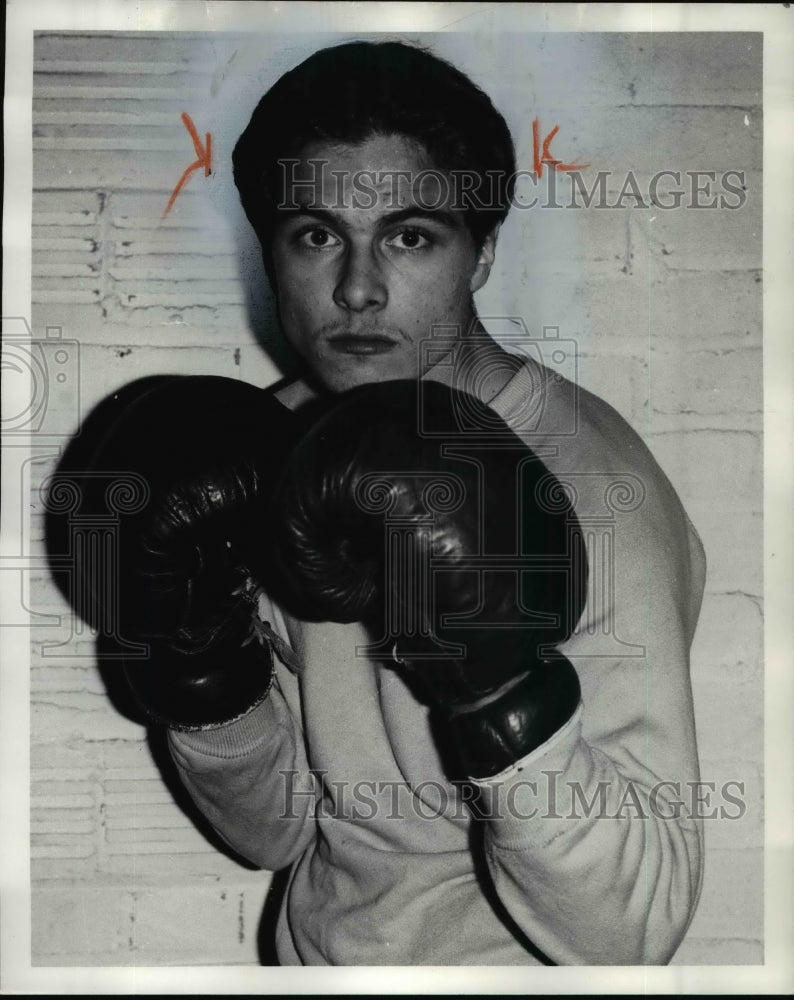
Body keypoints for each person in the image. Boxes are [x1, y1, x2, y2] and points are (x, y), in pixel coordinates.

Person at [74, 40, 708, 966]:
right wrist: (199, 662)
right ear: (272, 251)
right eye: (317, 234)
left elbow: (630, 936)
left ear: (481, 254)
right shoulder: (261, 454)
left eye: (410, 237)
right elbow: (276, 834)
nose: (358, 288)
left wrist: (501, 692)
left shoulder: (592, 483)